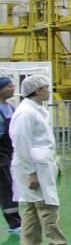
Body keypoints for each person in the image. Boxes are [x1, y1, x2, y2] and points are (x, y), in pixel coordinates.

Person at [12, 75, 71, 245]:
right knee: (47, 206)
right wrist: (30, 173)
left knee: (32, 208)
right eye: (46, 88)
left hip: (39, 164)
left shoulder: (37, 110)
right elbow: (21, 143)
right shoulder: (26, 113)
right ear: (37, 90)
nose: (49, 91)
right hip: (33, 167)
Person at [0, 76, 20, 233]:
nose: (13, 89)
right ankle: (15, 223)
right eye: (9, 87)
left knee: (9, 186)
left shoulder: (10, 107)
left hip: (8, 151)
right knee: (6, 187)